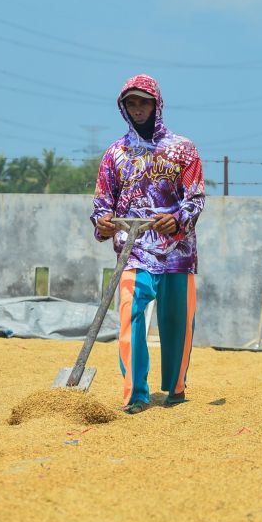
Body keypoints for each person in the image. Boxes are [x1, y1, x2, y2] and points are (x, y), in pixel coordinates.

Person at [91, 74, 205, 414]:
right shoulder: (115, 154)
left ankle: (175, 387)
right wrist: (104, 223)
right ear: (123, 108)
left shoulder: (182, 149)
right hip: (133, 250)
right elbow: (101, 205)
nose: (137, 108)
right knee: (130, 315)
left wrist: (179, 218)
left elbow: (196, 197)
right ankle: (135, 393)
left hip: (176, 252)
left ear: (156, 104)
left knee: (177, 322)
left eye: (143, 102)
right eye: (131, 103)